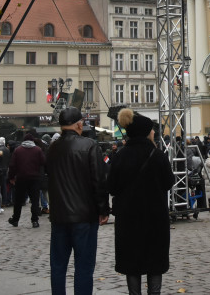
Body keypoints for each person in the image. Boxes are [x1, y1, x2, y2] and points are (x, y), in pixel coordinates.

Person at [108, 109, 175, 295]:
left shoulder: (120, 156)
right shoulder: (158, 155)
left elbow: (111, 187)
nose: (154, 132)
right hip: (155, 218)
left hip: (128, 219)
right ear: (146, 132)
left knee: (132, 264)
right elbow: (169, 183)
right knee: (155, 263)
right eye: (152, 130)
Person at [45, 107, 110, 295]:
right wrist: (103, 209)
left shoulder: (52, 149)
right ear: (79, 124)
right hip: (84, 216)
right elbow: (99, 180)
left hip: (59, 216)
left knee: (58, 266)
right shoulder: (89, 145)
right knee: (84, 266)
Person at [8, 132, 46, 228]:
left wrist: (11, 177)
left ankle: (15, 219)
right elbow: (43, 162)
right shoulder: (38, 150)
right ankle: (35, 221)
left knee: (18, 201)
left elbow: (12, 166)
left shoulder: (18, 150)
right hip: (34, 178)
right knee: (34, 200)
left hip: (21, 178)